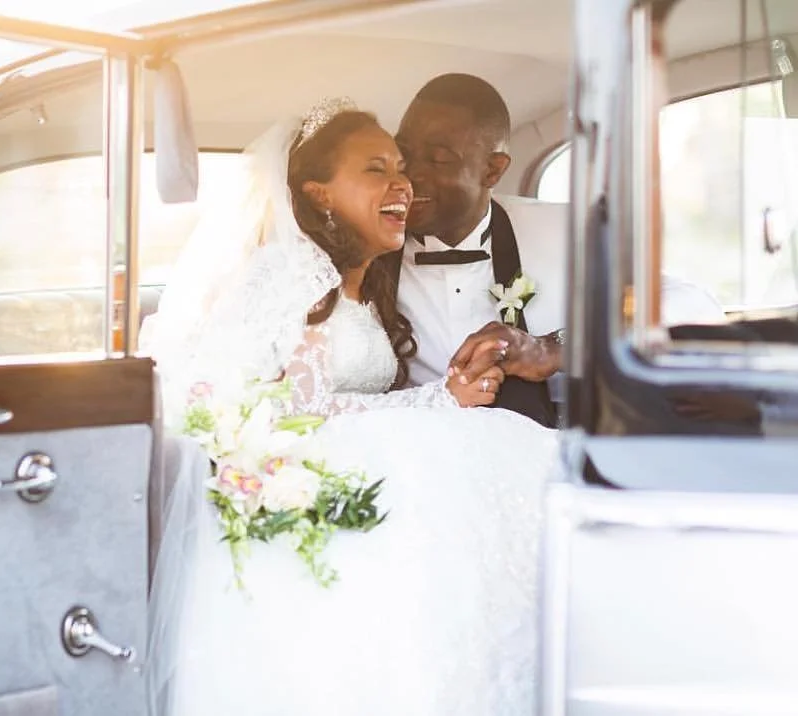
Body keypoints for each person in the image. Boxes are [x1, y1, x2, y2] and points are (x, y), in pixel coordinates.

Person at [141, 99, 558, 716]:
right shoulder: (294, 276)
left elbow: (336, 397)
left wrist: (446, 397)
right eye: (376, 169)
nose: (402, 183)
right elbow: (297, 413)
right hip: (304, 484)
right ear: (320, 195)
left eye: (402, 166)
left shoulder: (357, 285)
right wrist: (438, 404)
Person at [388, 73, 725, 428]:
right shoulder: (370, 247)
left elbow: (696, 308)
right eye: (404, 154)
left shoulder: (566, 230)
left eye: (439, 159)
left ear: (492, 170)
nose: (411, 175)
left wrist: (555, 346)